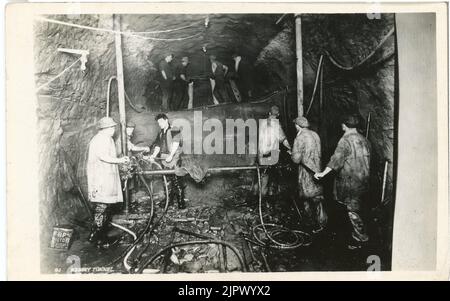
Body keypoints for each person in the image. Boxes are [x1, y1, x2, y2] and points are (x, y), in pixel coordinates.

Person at [314, 115, 370, 249]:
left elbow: (336, 160)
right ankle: (358, 235)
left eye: (342, 124)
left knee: (352, 211)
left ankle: (361, 239)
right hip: (363, 180)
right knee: (357, 208)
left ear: (345, 125)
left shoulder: (345, 140)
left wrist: (322, 174)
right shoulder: (365, 140)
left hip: (350, 182)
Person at [87, 117, 129, 248]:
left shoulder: (107, 138)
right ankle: (96, 238)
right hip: (100, 179)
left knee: (105, 208)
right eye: (111, 127)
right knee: (102, 208)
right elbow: (103, 156)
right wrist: (121, 161)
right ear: (104, 128)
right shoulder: (100, 139)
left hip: (105, 177)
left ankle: (99, 236)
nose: (113, 129)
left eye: (113, 127)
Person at [291, 116, 327, 232]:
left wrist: (292, 153)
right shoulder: (315, 134)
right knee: (318, 197)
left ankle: (309, 223)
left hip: (306, 171)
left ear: (297, 125)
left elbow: (296, 160)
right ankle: (322, 223)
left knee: (306, 196)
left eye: (295, 125)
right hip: (317, 169)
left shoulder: (300, 138)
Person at [145, 113, 186, 209]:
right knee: (166, 180)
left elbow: (176, 143)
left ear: (166, 120)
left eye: (161, 121)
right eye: (158, 122)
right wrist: (153, 156)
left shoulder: (174, 129)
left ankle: (181, 203)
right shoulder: (161, 133)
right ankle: (169, 201)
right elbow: (158, 146)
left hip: (174, 157)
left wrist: (171, 155)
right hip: (164, 158)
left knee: (176, 180)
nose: (159, 124)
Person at [257, 105, 292, 197]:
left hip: (261, 153)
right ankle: (266, 197)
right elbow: (283, 139)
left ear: (269, 113)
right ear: (278, 114)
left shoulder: (262, 123)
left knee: (262, 174)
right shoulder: (276, 124)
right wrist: (291, 148)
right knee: (270, 175)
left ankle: (259, 196)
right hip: (271, 154)